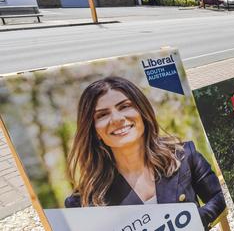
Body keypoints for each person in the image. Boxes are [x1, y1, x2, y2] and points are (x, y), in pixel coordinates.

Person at [65, 77, 225, 230]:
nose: (117, 119)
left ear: (142, 112)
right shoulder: (84, 202)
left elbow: (220, 196)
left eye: (124, 106)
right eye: (102, 115)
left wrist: (196, 219)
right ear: (94, 131)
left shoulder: (183, 155)